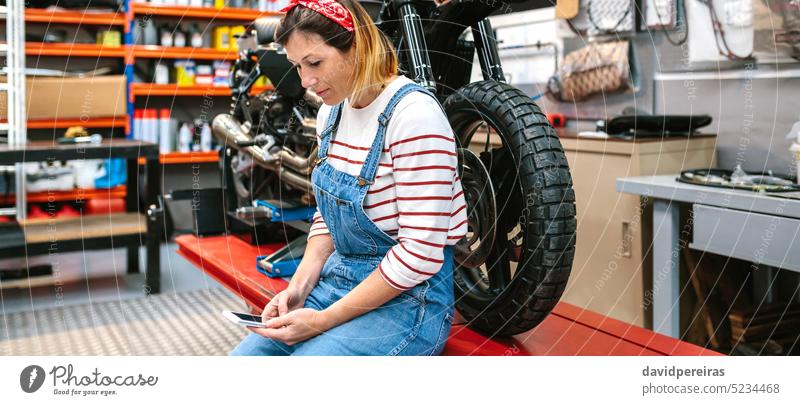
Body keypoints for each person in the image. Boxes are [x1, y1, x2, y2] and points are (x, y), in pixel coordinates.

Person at [230, 0, 467, 356]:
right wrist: (298, 288)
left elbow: (420, 254)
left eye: (315, 63)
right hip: (338, 280)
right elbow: (329, 216)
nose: (306, 81)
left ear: (355, 46)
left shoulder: (414, 116)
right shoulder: (331, 113)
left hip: (408, 301)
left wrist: (323, 321)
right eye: (298, 67)